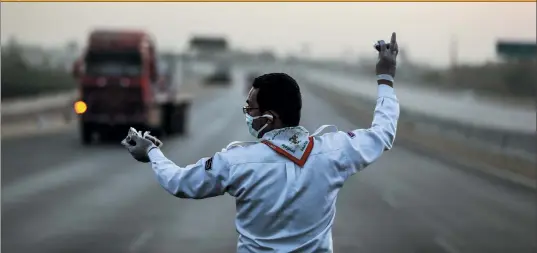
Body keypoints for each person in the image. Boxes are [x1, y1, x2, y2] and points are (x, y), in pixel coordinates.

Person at [122, 32, 400, 252]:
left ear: (269, 118)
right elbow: (383, 133)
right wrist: (385, 77)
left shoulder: (236, 163)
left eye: (250, 110)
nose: (247, 115)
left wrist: (152, 153)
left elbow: (180, 183)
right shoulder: (335, 150)